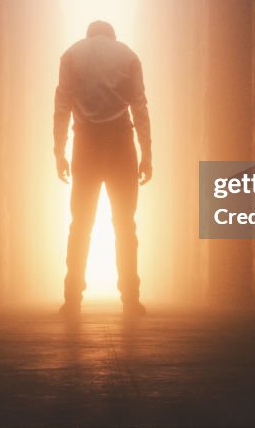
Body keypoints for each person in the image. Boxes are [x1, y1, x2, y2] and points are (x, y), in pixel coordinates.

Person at [54, 20, 152, 316]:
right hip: (121, 144)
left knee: (81, 223)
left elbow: (62, 106)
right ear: (112, 34)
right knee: (124, 224)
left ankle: (72, 299)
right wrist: (147, 153)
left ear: (89, 34)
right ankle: (130, 299)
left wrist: (59, 151)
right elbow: (140, 107)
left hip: (85, 145)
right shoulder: (129, 56)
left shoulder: (71, 55)